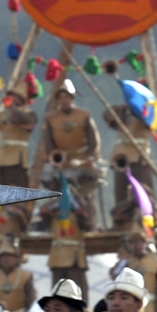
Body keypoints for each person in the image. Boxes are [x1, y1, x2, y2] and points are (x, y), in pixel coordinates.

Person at [37, 79, 103, 231]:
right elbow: (48, 142)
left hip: (82, 161)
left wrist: (90, 155)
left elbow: (94, 139)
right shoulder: (51, 118)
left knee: (85, 195)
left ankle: (90, 224)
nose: (63, 100)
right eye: (60, 98)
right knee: (60, 194)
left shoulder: (84, 115)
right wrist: (52, 157)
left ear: (72, 98)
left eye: (66, 97)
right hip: (61, 161)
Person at [104, 101, 157, 232]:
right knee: (120, 191)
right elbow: (108, 116)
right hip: (121, 156)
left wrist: (138, 110)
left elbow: (152, 121)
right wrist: (124, 109)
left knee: (144, 190)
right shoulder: (122, 115)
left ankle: (151, 220)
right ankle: (120, 222)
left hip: (140, 156)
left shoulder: (148, 112)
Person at [0, 84, 38, 188]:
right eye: (11, 96)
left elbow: (23, 119)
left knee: (16, 188)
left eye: (16, 97)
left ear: (21, 100)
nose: (13, 98)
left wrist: (11, 108)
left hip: (16, 156)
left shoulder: (28, 113)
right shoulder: (0, 113)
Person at [114, 232, 157, 312]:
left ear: (145, 243)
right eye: (133, 242)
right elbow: (114, 275)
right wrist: (123, 260)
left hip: (151, 305)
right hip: (131, 305)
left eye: (139, 242)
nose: (136, 245)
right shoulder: (128, 262)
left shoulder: (156, 263)